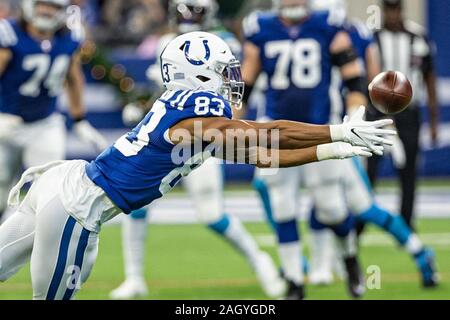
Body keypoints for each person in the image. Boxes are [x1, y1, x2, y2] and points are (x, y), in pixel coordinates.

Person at [0, 31, 394, 300]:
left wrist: (335, 150)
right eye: (225, 71)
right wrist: (335, 131)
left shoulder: (194, 119)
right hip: (77, 206)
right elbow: (263, 133)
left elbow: (260, 153)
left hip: (63, 185)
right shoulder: (198, 109)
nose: (231, 79)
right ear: (199, 74)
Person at [241, 0, 438, 299]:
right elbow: (247, 83)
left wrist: (355, 116)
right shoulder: (261, 28)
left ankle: (348, 258)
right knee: (283, 206)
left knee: (333, 209)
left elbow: (353, 79)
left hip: (322, 129)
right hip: (276, 131)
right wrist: (230, 123)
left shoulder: (329, 23)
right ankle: (295, 281)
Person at [111, 0, 286, 300]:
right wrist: (144, 108)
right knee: (136, 204)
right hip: (170, 139)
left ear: (210, 13)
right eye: (183, 11)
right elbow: (165, 92)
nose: (188, 17)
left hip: (204, 136)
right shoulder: (167, 42)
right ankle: (135, 277)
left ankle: (260, 261)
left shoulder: (223, 43)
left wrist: (224, 129)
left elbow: (234, 95)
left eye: (195, 11)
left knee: (211, 213)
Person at [0, 0, 107, 221]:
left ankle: (41, 245)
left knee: (50, 190)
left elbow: (74, 77)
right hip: (5, 120)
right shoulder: (10, 33)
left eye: (54, 7)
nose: (47, 10)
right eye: (42, 4)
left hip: (44, 122)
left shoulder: (69, 38)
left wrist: (80, 119)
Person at [366, 0, 440, 229]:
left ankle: (407, 222)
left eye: (396, 8)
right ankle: (362, 220)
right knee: (370, 168)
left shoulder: (418, 37)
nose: (393, 14)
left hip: (409, 113)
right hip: (377, 112)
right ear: (383, 10)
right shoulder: (372, 39)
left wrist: (434, 120)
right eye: (389, 9)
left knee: (409, 170)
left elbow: (429, 79)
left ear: (402, 9)